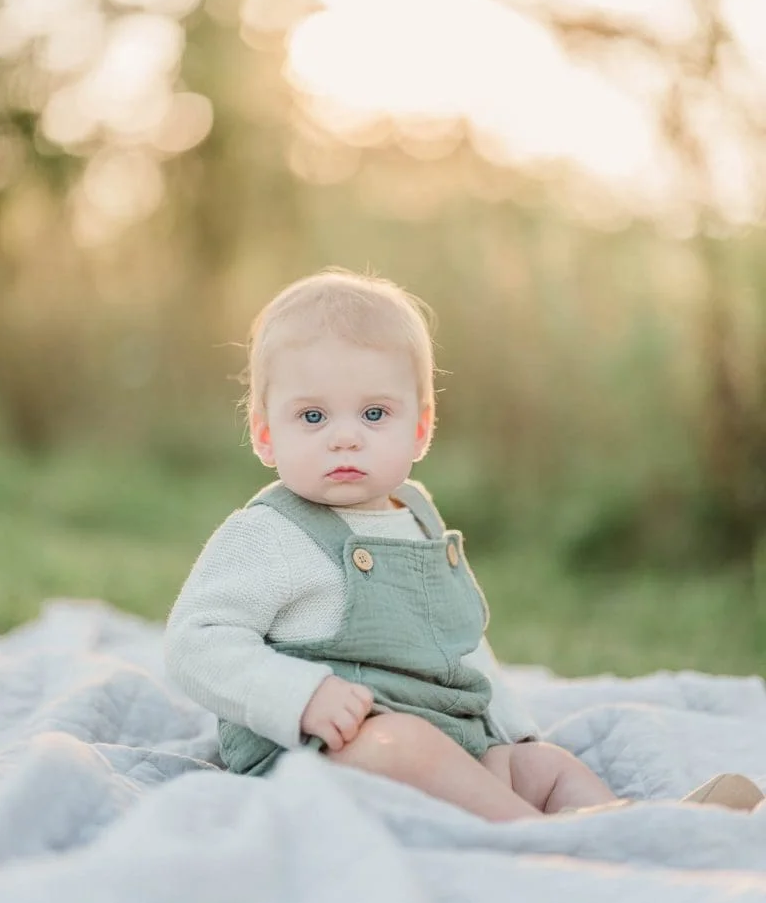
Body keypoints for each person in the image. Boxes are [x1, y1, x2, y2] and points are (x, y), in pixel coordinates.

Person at [165, 269, 763, 822]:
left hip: (451, 738)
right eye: (313, 417)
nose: (345, 437)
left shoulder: (418, 516)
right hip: (318, 751)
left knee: (544, 766)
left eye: (375, 413)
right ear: (266, 435)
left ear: (420, 428)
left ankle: (630, 824)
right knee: (402, 744)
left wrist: (512, 733)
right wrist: (299, 696)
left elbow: (463, 643)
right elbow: (197, 640)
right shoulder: (269, 534)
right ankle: (541, 834)